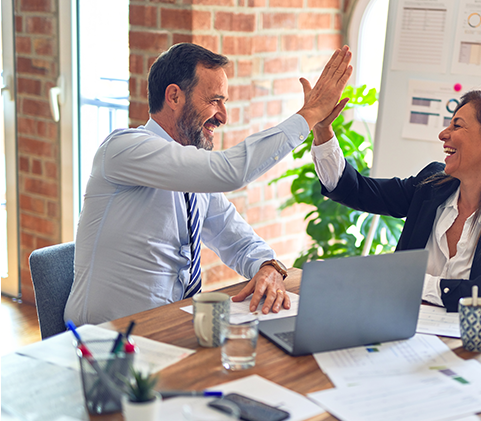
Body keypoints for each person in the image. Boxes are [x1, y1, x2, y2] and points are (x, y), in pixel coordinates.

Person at [64, 43, 352, 326]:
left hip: (170, 330)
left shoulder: (192, 175)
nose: (223, 116)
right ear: (174, 97)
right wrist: (310, 114)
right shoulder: (124, 149)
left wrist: (268, 266)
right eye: (215, 100)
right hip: (105, 343)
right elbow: (230, 172)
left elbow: (236, 238)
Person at [310, 89, 481, 319]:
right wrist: (323, 130)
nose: (443, 134)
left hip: (478, 348)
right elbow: (356, 190)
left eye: (457, 125)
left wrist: (409, 282)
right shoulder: (431, 186)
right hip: (404, 329)